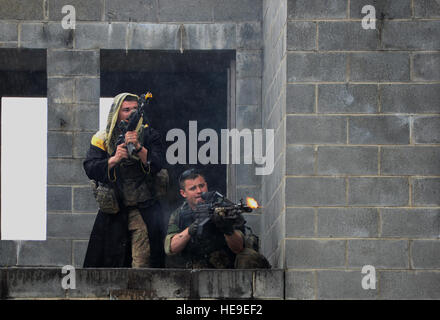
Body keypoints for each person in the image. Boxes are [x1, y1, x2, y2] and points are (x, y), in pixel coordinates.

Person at [83, 92, 166, 268]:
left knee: (143, 264)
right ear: (117, 113)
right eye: (126, 109)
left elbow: (158, 164)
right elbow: (90, 167)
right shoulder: (102, 138)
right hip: (113, 212)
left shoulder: (149, 135)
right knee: (108, 264)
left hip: (143, 209)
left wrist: (139, 148)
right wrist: (113, 159)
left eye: (134, 109)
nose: (130, 113)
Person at [164, 168, 271, 269]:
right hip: (195, 267)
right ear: (183, 193)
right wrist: (192, 229)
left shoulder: (224, 206)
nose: (199, 191)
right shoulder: (180, 214)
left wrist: (226, 228)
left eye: (201, 186)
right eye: (193, 188)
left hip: (226, 266)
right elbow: (170, 248)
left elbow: (238, 248)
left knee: (249, 257)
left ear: (206, 185)